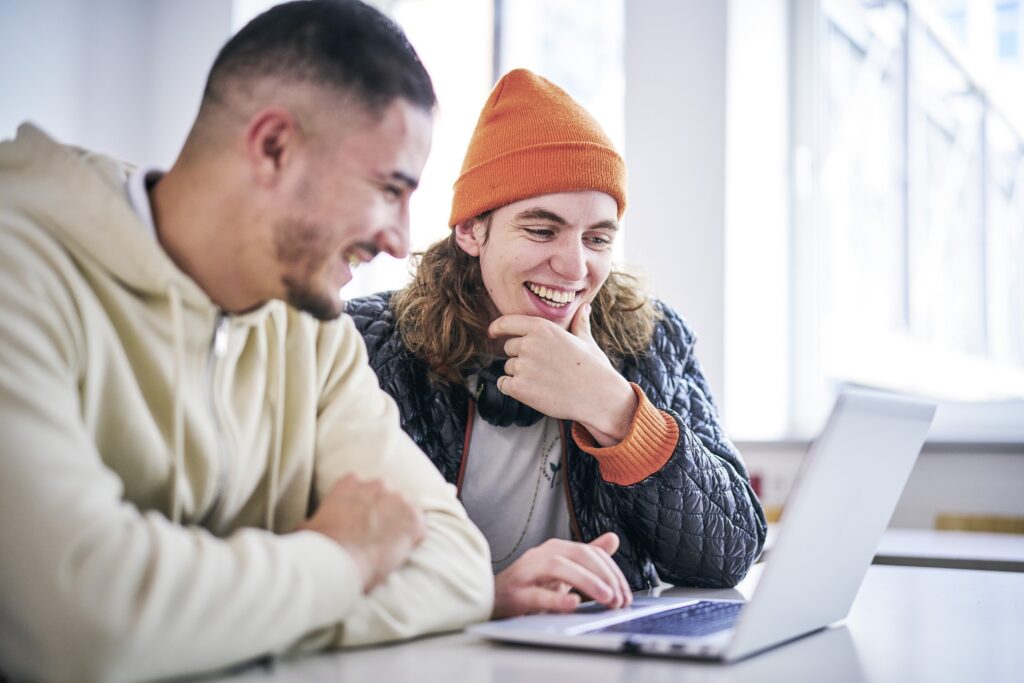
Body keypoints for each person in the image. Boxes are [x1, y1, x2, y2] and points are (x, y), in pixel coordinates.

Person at [0, 2, 493, 681]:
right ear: (273, 147)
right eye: (388, 189)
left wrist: (195, 618)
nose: (401, 240)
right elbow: (83, 620)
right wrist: (341, 557)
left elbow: (459, 566)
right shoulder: (18, 266)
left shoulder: (314, 329)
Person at [347, 69, 767, 619]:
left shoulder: (652, 338)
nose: (573, 268)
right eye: (542, 231)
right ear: (472, 230)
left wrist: (615, 410)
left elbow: (729, 554)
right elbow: (337, 561)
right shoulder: (372, 346)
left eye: (597, 238)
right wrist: (483, 600)